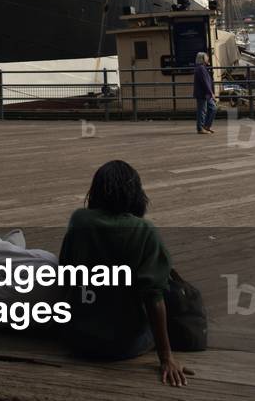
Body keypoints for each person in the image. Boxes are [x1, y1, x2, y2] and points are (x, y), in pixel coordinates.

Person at [59, 160, 192, 387]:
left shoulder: (79, 220)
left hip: (79, 337)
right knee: (167, 287)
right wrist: (167, 358)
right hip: (125, 344)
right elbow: (154, 299)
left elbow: (66, 271)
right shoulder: (144, 231)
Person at [193, 51, 217, 135]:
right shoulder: (201, 68)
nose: (208, 58)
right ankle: (200, 128)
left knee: (212, 108)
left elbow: (206, 81)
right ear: (202, 59)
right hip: (203, 93)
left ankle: (206, 126)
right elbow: (205, 82)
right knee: (202, 110)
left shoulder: (202, 67)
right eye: (206, 57)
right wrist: (211, 93)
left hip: (206, 93)